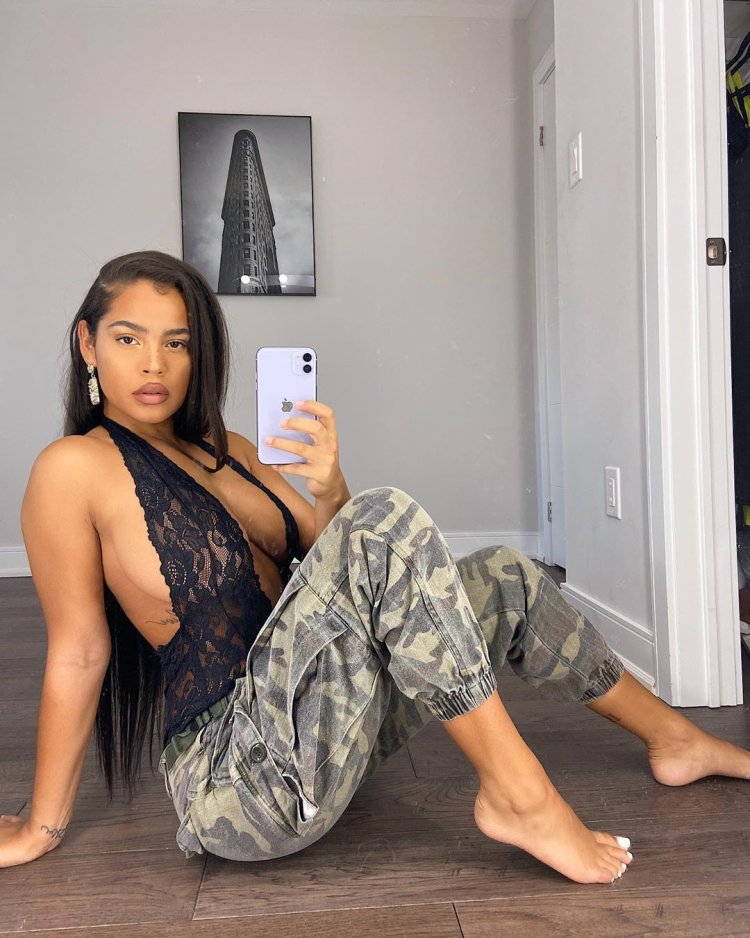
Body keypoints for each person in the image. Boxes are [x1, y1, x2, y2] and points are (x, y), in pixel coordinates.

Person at [2, 251, 749, 883]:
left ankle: (675, 740)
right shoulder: (71, 469)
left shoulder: (228, 449)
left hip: (321, 734)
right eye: (128, 339)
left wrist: (330, 487)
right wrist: (42, 826)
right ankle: (521, 797)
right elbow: (80, 652)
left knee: (507, 577)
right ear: (87, 343)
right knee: (383, 517)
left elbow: (339, 562)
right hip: (238, 783)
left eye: (177, 342)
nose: (154, 364)